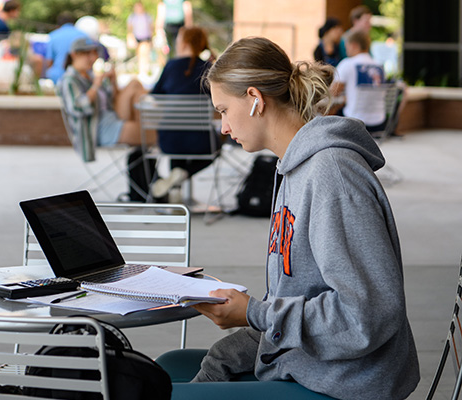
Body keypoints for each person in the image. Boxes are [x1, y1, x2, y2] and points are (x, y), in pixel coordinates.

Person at [167, 36, 419, 399]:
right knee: (170, 364)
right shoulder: (292, 168)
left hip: (347, 384)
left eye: (223, 110)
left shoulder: (332, 173)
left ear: (255, 99)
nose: (222, 127)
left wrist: (254, 314)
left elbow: (367, 314)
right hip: (311, 364)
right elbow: (294, 299)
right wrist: (221, 358)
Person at [148, 26, 218, 200]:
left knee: (176, 133)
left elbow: (154, 97)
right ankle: (182, 175)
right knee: (216, 146)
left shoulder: (171, 66)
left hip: (168, 140)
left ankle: (175, 189)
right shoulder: (208, 68)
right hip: (201, 141)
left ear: (184, 43)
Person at [58, 37, 154, 162]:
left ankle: (153, 175)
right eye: (87, 54)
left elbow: (111, 100)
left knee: (134, 85)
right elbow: (77, 108)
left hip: (112, 118)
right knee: (159, 135)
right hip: (98, 129)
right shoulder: (69, 80)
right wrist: (95, 86)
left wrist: (113, 82)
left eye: (94, 53)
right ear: (74, 55)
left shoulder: (91, 75)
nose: (92, 58)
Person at [332, 30, 386, 133]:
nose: (345, 48)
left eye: (346, 45)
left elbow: (333, 92)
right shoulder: (379, 66)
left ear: (354, 45)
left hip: (355, 123)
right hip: (379, 122)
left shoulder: (347, 64)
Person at [45, 13, 89, 84]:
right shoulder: (83, 35)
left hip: (58, 76)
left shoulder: (53, 35)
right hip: (79, 76)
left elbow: (49, 61)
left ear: (58, 25)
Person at [127, 1, 154, 77]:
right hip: (137, 38)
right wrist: (130, 38)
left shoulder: (147, 16)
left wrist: (151, 39)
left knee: (144, 53)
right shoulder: (132, 17)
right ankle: (141, 70)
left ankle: (144, 70)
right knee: (139, 54)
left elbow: (151, 27)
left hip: (145, 37)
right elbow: (129, 28)